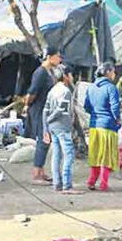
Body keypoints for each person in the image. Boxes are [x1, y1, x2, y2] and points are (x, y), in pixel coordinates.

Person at [24, 46, 62, 184]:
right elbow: (32, 92)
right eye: (57, 56)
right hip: (40, 110)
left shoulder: (50, 72)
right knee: (43, 140)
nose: (59, 59)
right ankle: (36, 174)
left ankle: (41, 171)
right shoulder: (40, 73)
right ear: (49, 57)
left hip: (47, 110)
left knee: (46, 141)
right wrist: (27, 105)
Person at [83, 62, 122, 191]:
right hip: (107, 125)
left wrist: (95, 114)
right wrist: (118, 119)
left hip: (94, 125)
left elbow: (86, 106)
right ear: (108, 72)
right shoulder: (111, 88)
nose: (114, 74)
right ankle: (103, 183)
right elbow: (115, 106)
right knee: (106, 156)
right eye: (113, 72)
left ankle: (91, 181)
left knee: (95, 154)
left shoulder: (91, 87)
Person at [43, 64, 81, 195]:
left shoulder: (52, 90)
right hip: (62, 127)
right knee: (69, 155)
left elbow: (45, 110)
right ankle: (67, 185)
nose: (72, 77)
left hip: (53, 128)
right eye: (70, 75)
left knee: (56, 155)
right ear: (65, 76)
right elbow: (60, 110)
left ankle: (57, 184)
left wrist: (46, 126)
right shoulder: (66, 91)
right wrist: (50, 119)